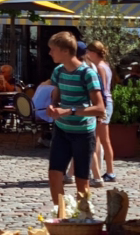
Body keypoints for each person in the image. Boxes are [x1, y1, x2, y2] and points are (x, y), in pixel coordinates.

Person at [45, 31, 105, 205]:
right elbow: (56, 97)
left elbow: (99, 108)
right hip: (62, 130)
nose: (50, 53)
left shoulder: (87, 74)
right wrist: (53, 107)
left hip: (83, 132)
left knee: (82, 180)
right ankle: (60, 214)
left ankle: (82, 217)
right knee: (54, 174)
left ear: (65, 51)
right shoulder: (58, 71)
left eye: (52, 49)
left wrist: (69, 111)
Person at [85, 41, 116, 185]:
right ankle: (104, 170)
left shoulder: (100, 67)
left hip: (104, 103)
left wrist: (99, 109)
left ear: (92, 53)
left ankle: (109, 171)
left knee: (101, 139)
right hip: (107, 103)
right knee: (101, 138)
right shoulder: (105, 65)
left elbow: (101, 89)